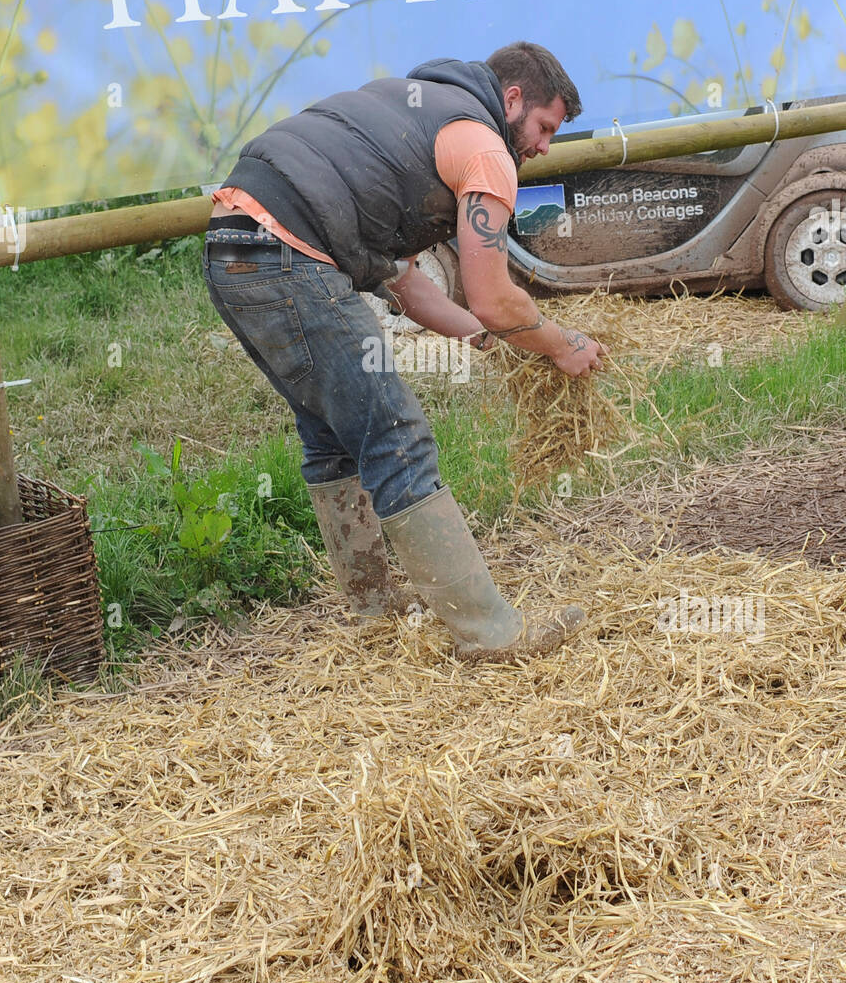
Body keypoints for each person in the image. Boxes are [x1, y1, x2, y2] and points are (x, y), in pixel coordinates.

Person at [203, 41, 606, 664]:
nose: (544, 147)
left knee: (332, 431)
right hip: (287, 252)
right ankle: (492, 634)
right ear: (514, 99)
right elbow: (494, 296)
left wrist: (489, 343)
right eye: (545, 128)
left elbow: (411, 286)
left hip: (234, 245)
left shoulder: (415, 120)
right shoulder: (485, 149)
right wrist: (562, 344)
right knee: (396, 435)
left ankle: (370, 605)